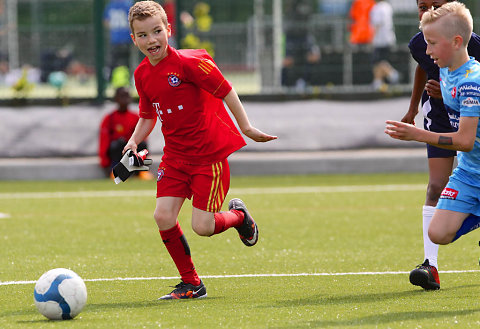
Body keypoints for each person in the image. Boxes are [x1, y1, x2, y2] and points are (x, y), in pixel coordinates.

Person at [125, 1, 277, 300]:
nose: (151, 40)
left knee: (203, 227)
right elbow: (147, 115)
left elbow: (226, 89)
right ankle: (192, 283)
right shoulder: (142, 74)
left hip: (209, 159)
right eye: (142, 35)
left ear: (169, 30)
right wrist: (133, 141)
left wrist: (246, 127)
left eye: (157, 31)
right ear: (133, 39)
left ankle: (238, 217)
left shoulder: (189, 63)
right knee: (163, 217)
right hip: (175, 158)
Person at [386, 1, 480, 289]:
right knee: (438, 232)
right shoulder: (445, 67)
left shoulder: (471, 81)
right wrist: (414, 109)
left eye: (432, 44)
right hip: (471, 168)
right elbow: (422, 68)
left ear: (456, 41)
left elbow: (464, 140)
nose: (426, 52)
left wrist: (417, 134)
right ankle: (431, 264)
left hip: (467, 152)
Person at [98, 86, 152, 180]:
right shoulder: (109, 119)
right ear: (116, 98)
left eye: (127, 96)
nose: (125, 99)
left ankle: (141, 171)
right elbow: (104, 142)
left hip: (132, 152)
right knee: (116, 145)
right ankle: (115, 171)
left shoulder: (135, 117)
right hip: (119, 152)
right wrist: (104, 164)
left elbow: (143, 137)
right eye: (122, 96)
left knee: (142, 144)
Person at [370, 0, 399, 91]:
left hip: (380, 39)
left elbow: (377, 24)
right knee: (379, 61)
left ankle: (392, 74)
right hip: (389, 37)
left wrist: (372, 38)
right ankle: (378, 82)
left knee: (377, 61)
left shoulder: (377, 8)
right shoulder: (387, 6)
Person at [104, 0, 134, 82]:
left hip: (115, 39)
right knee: (127, 62)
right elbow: (132, 21)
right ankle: (128, 79)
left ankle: (109, 79)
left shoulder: (111, 4)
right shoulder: (128, 4)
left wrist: (115, 30)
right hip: (126, 38)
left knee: (112, 61)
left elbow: (106, 21)